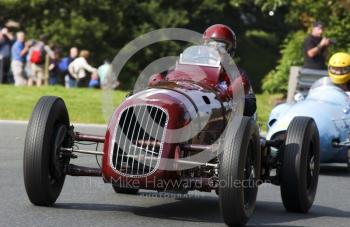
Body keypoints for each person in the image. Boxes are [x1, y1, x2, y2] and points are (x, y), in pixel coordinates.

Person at [202, 24, 257, 116]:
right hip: (198, 117)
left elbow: (250, 105)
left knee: (248, 124)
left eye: (221, 46)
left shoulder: (237, 74)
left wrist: (229, 100)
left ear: (230, 51)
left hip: (226, 121)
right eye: (211, 45)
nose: (215, 50)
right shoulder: (194, 70)